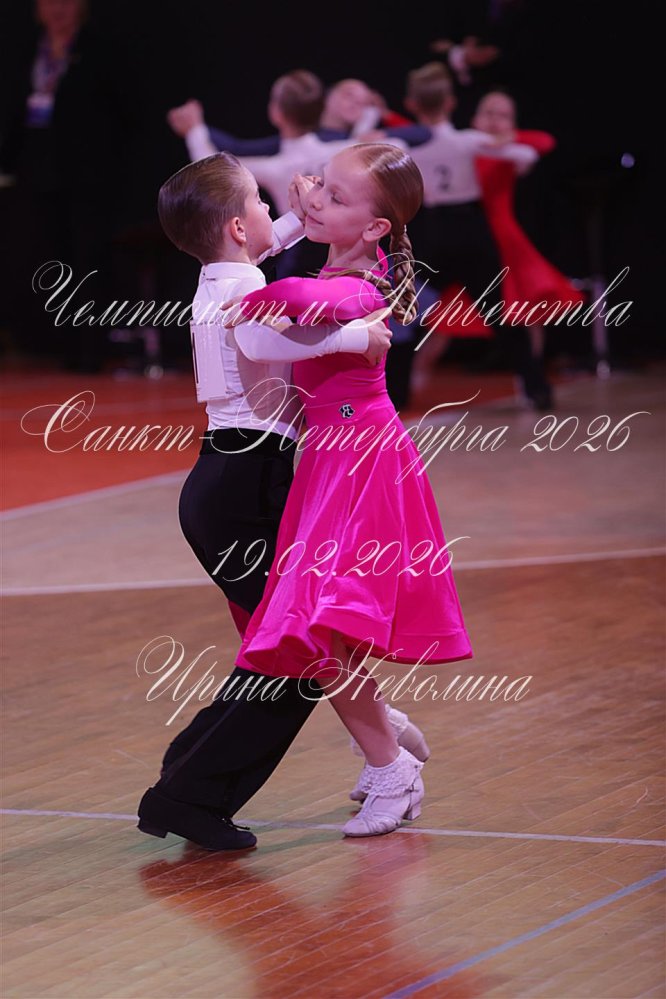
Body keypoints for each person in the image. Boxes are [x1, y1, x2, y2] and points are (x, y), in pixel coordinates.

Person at [136, 152, 419, 852]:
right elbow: (261, 330)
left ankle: (191, 783)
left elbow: (261, 249)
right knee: (299, 643)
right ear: (238, 227)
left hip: (229, 482)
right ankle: (381, 754)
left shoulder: (224, 271)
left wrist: (292, 216)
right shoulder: (245, 287)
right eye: (263, 206)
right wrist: (355, 336)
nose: (281, 213)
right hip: (244, 484)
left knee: (294, 640)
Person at [224, 143, 474, 838]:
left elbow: (297, 298)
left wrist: (245, 288)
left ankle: (390, 764)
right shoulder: (341, 262)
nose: (315, 200)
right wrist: (301, 222)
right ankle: (384, 742)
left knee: (319, 620)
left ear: (375, 228)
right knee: (324, 622)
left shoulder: (360, 287)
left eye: (336, 197)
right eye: (319, 188)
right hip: (330, 461)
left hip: (361, 464)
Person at [400, 63, 542, 399]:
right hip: (470, 231)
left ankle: (396, 391)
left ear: (412, 104)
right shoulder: (468, 140)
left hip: (431, 232)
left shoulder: (404, 144)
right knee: (497, 311)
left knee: (406, 310)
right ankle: (536, 388)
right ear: (450, 102)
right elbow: (527, 155)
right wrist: (507, 144)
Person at [471, 90, 585, 409]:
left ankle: (530, 379)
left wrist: (509, 137)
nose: (494, 120)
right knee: (444, 311)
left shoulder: (512, 151)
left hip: (505, 239)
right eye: (489, 112)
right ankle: (412, 381)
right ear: (474, 118)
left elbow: (546, 142)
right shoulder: (464, 145)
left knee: (526, 309)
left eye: (503, 115)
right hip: (469, 238)